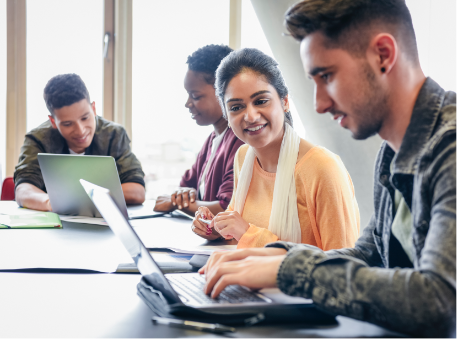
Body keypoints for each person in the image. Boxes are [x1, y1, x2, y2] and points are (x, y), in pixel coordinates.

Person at [200, 0, 457, 338]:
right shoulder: (391, 152)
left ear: (383, 54)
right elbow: (370, 255)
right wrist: (269, 259)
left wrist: (291, 270)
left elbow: (438, 304)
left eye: (327, 76)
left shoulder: (449, 149)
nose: (319, 103)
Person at [193, 48, 360, 249]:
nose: (251, 116)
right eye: (236, 107)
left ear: (285, 102)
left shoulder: (323, 168)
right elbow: (236, 233)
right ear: (226, 116)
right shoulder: (244, 157)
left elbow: (342, 267)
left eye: (261, 101)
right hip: (246, 277)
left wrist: (248, 234)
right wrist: (214, 228)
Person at [14, 73, 145, 211]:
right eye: (67, 124)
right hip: (57, 226)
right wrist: (52, 204)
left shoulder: (114, 135)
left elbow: (137, 191)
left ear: (93, 109)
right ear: (53, 121)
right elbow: (23, 190)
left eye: (85, 118)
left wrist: (76, 199)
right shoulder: (38, 139)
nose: (81, 131)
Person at [154, 45, 244, 217]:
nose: (188, 103)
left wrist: (176, 203)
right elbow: (185, 186)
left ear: (224, 92)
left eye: (195, 96)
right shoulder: (212, 140)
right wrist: (181, 197)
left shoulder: (241, 142)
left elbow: (226, 209)